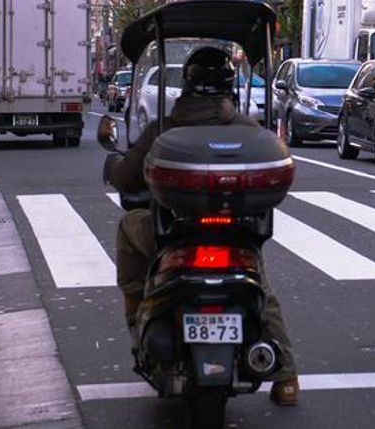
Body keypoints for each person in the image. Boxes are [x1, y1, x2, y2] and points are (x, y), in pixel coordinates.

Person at [107, 46, 301, 406]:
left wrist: (115, 171)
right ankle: (286, 375)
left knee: (129, 227)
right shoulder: (249, 130)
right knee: (261, 288)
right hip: (236, 234)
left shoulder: (162, 129)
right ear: (229, 87)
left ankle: (136, 312)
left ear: (188, 84)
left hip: (172, 234)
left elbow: (126, 176)